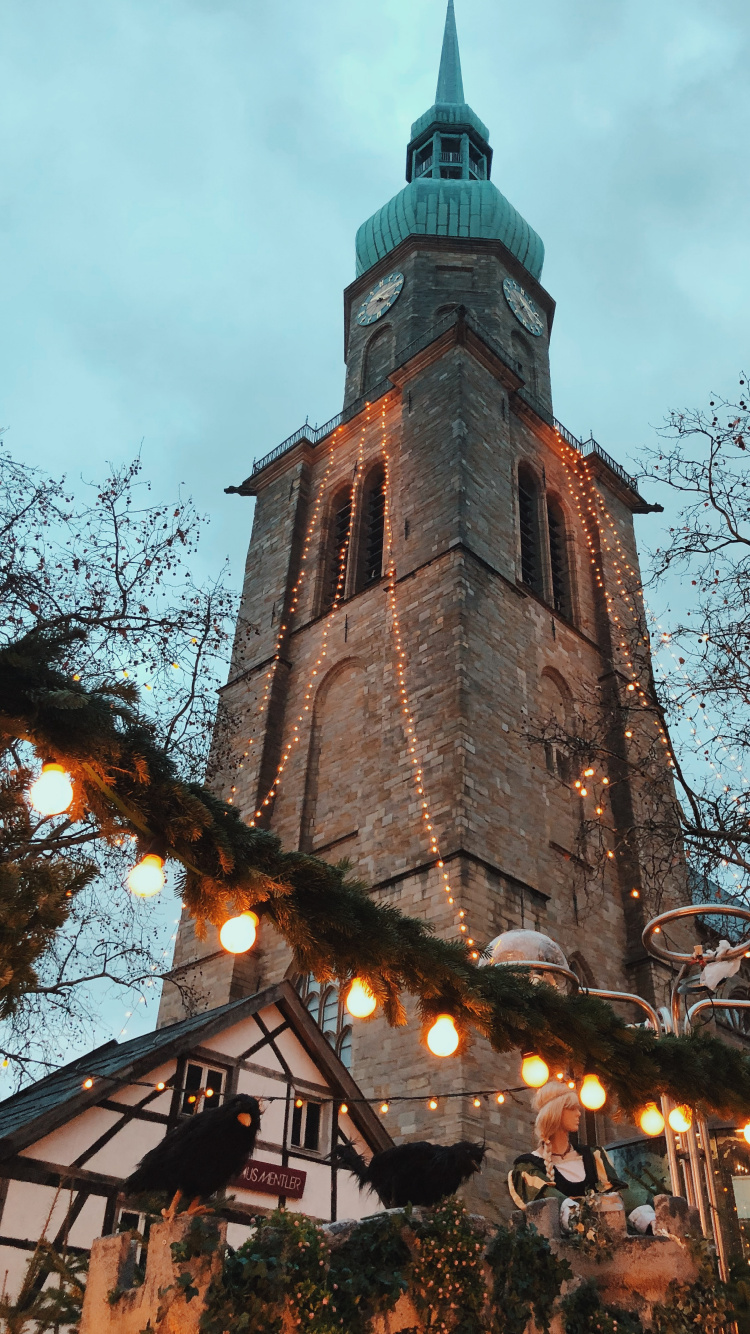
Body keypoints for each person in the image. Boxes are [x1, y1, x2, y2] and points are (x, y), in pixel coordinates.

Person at [508, 1081, 655, 1234]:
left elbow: (619, 1193)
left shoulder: (593, 1157)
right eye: (572, 1108)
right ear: (556, 1112)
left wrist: (651, 1221)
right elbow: (552, 1201)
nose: (579, 1113)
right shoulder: (529, 1167)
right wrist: (588, 1222)